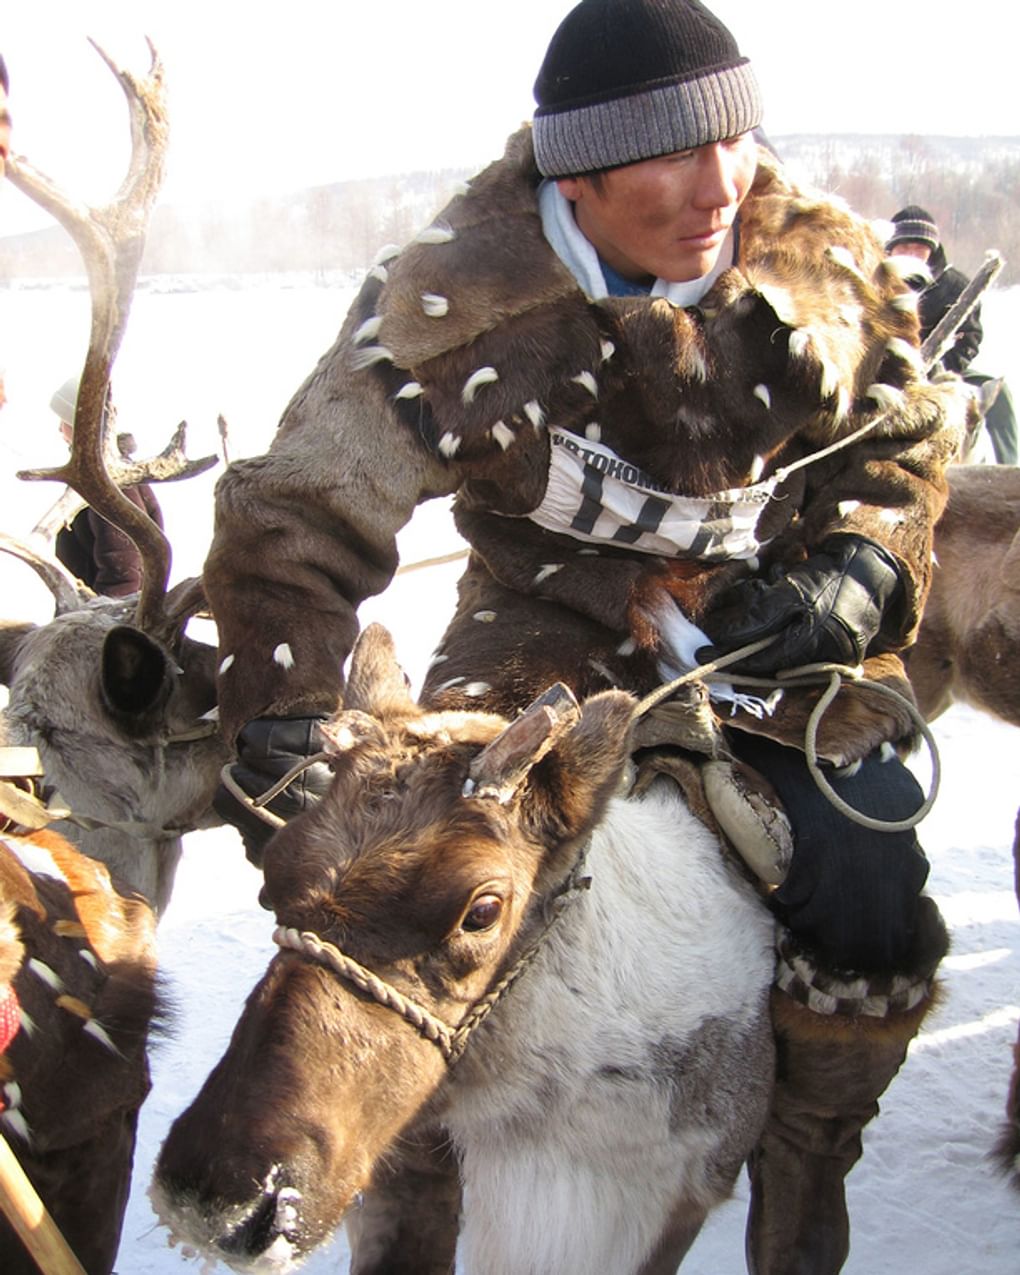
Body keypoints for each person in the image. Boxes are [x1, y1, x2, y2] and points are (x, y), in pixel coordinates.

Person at [206, 2, 966, 1271]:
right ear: (579, 171)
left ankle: (805, 1174)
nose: (719, 185)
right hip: (539, 634)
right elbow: (301, 509)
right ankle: (413, 1200)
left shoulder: (815, 268)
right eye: (671, 153)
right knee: (425, 890)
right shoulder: (455, 302)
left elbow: (900, 457)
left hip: (770, 641)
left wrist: (852, 575)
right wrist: (279, 710)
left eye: (734, 138)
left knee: (871, 884)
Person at [887, 205, 1017, 463]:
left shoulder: (955, 285)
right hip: (883, 375)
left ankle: (1008, 469)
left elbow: (969, 337)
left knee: (999, 395)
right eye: (905, 246)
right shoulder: (874, 281)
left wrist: (942, 370)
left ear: (932, 250)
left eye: (920, 247)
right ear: (890, 249)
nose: (912, 253)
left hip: (942, 371)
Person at [50, 376, 165, 598]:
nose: (59, 429)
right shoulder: (99, 474)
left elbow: (123, 566)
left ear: (80, 422)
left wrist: (102, 621)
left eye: (63, 421)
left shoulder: (108, 480)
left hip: (106, 619)